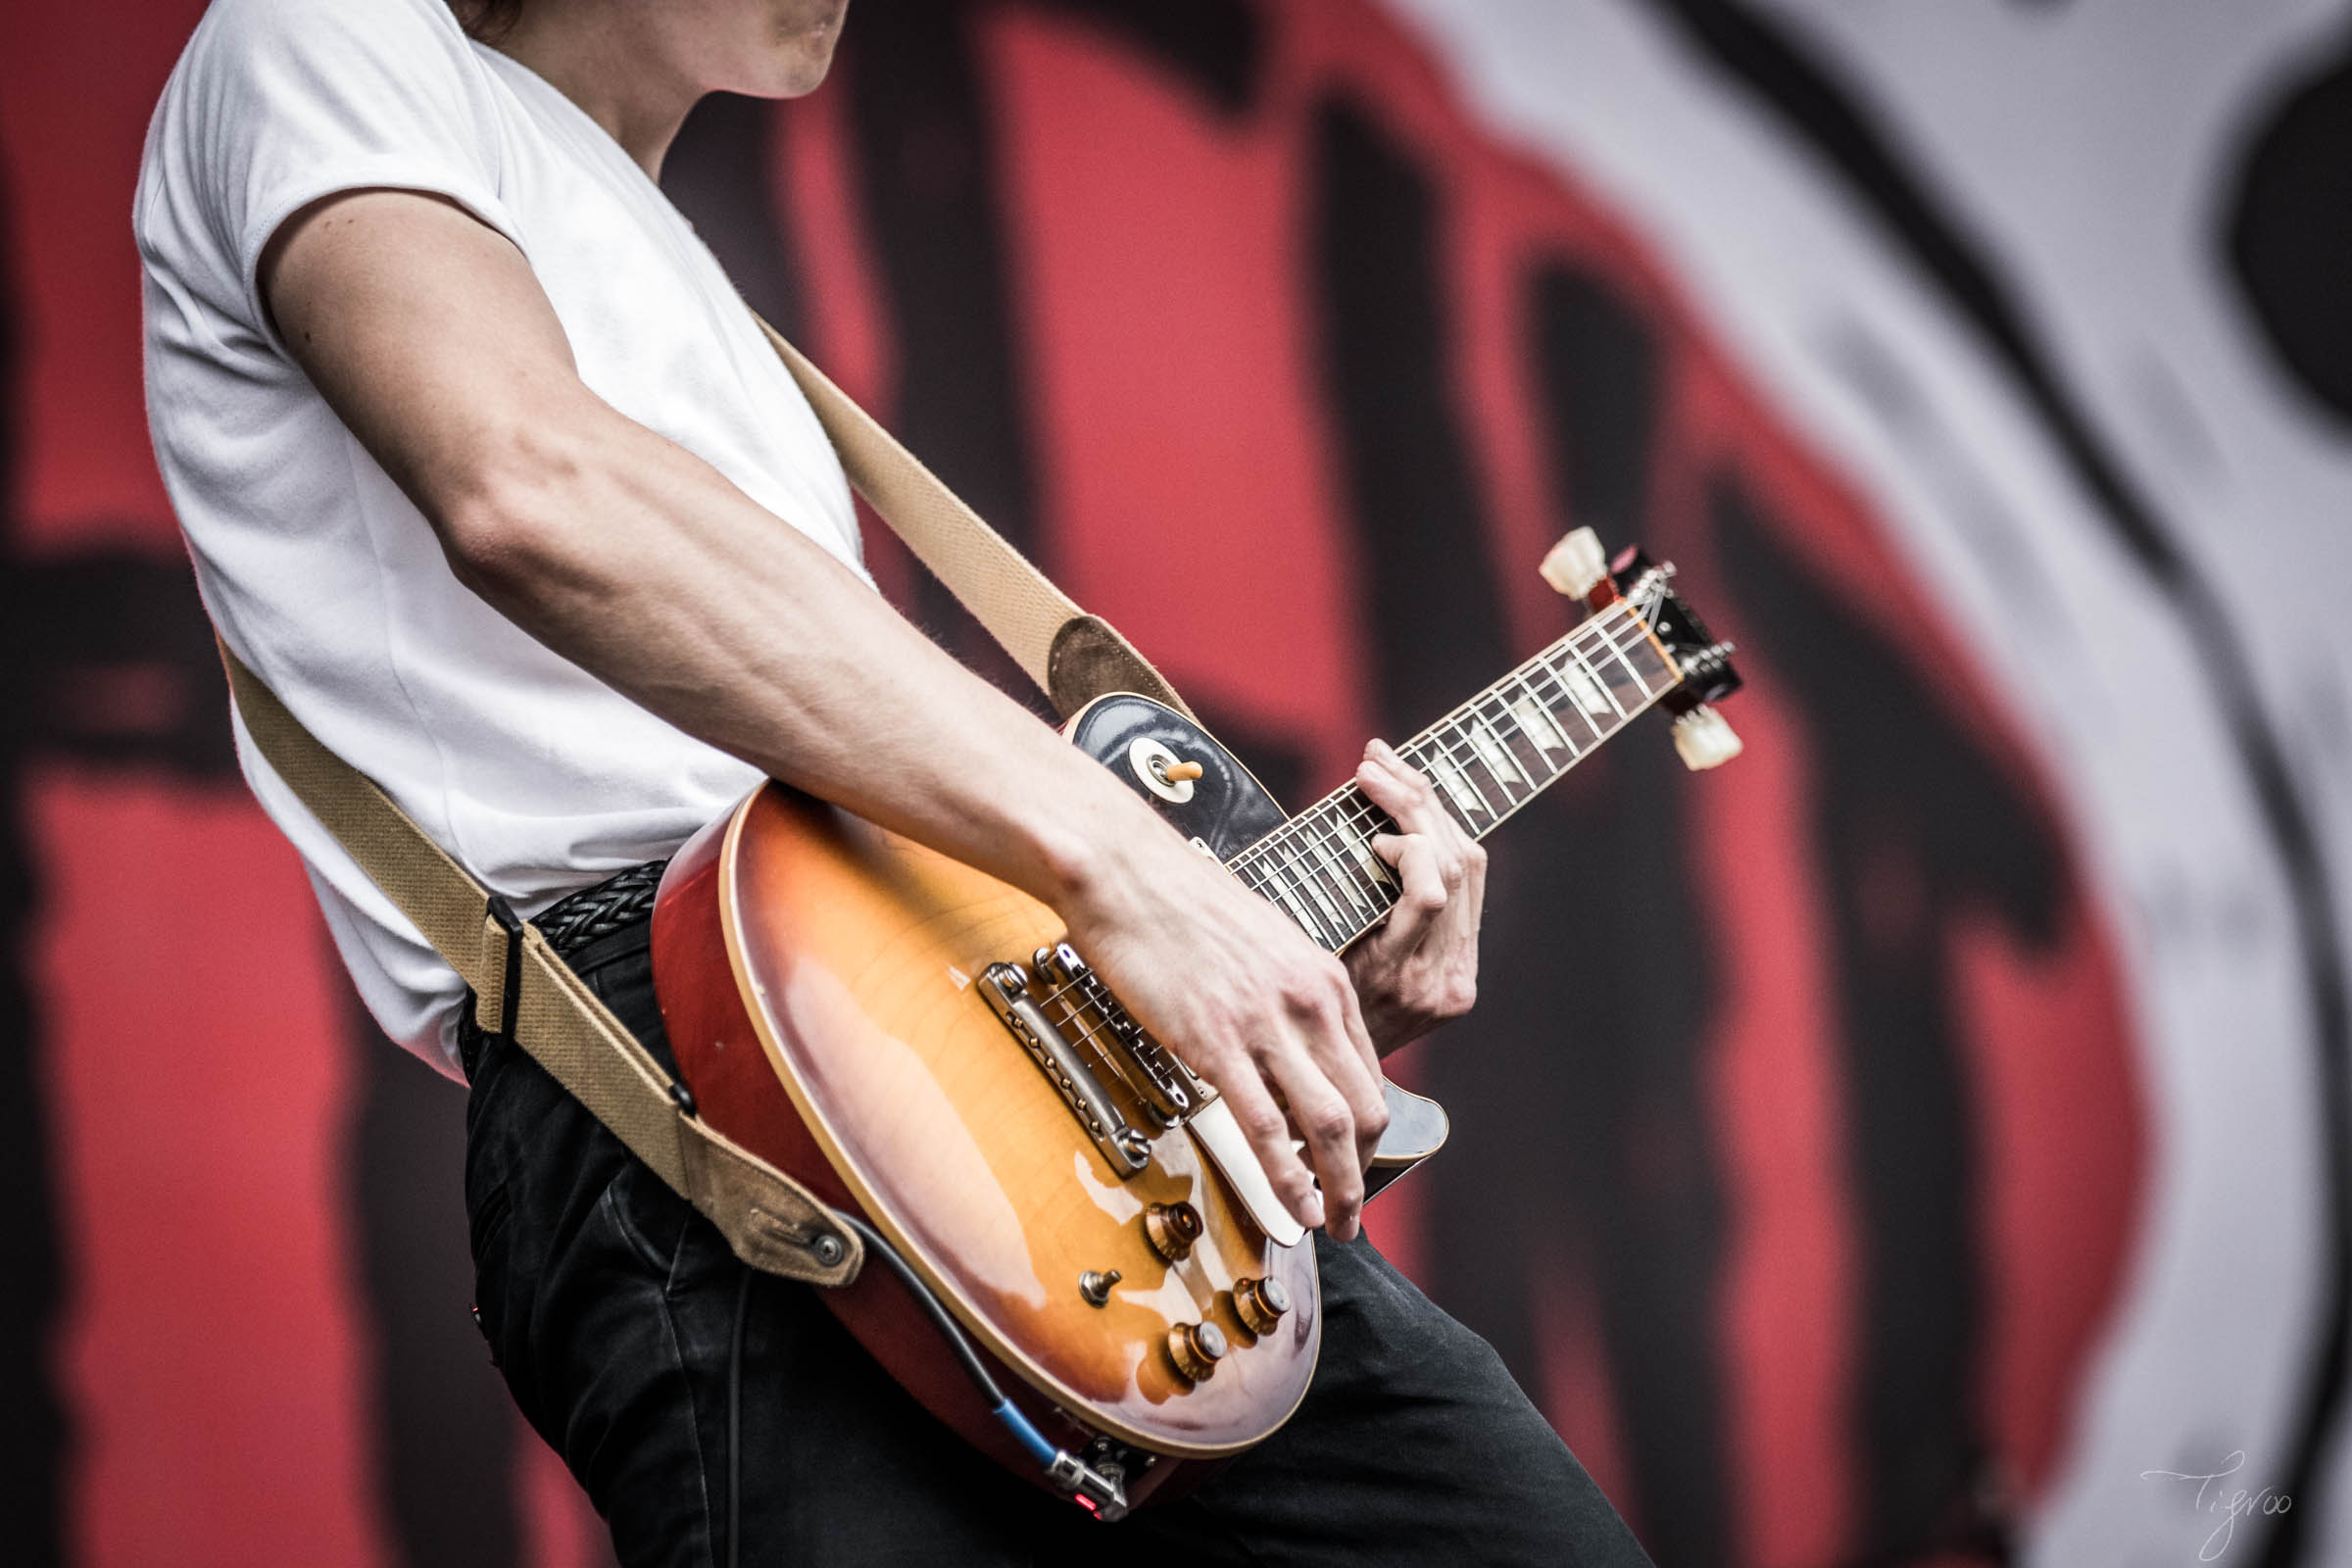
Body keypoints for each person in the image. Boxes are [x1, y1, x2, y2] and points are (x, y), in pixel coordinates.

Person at [136, 0, 1652, 1561]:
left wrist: (1269, 1005)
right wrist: (1126, 876)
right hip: (681, 1064)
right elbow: (530, 485)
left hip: (968, 1031)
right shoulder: (322, 36)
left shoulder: (674, 277)